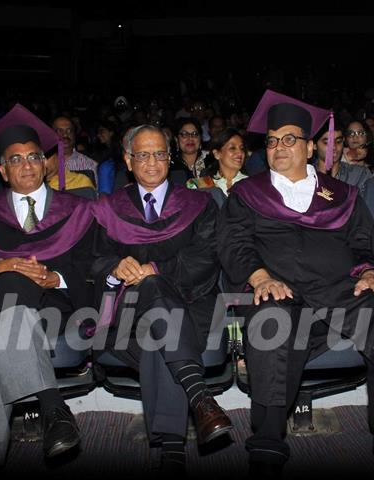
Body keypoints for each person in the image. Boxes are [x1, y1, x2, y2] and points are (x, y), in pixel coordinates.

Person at [217, 91, 374, 476]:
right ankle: (267, 449)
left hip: (340, 292)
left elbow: (364, 242)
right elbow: (233, 244)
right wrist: (260, 277)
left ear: (310, 147)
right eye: (273, 140)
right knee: (270, 322)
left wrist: (368, 273)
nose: (279, 147)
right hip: (280, 292)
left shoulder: (341, 194)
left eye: (290, 138)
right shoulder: (247, 193)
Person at [0, 105, 96, 466]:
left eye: (33, 157)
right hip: (1, 300)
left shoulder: (77, 208)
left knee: (6, 311)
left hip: (57, 302)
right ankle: (54, 410)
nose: (27, 165)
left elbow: (91, 266)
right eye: (16, 160)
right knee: (12, 297)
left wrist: (55, 277)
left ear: (45, 164)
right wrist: (0, 263)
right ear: (2, 170)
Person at [92, 124, 233, 475]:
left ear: (170, 159)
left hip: (190, 300)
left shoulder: (199, 202)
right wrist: (115, 267)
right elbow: (92, 261)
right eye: (143, 154)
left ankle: (171, 448)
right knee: (158, 309)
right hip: (126, 310)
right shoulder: (108, 208)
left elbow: (205, 258)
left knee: (161, 323)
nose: (152, 162)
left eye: (159, 154)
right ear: (128, 159)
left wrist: (154, 268)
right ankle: (200, 400)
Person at [312, 123, 372, 193]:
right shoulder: (306, 174)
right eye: (327, 143)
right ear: (314, 145)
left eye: (338, 142)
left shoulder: (359, 175)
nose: (334, 147)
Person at [186, 127, 248, 195]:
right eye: (232, 148)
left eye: (242, 148)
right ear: (217, 154)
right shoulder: (202, 184)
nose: (240, 153)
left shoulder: (251, 184)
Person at [52, 115, 98, 183]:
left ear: (75, 134)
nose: (65, 135)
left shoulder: (89, 165)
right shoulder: (44, 164)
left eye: (69, 130)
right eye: (60, 131)